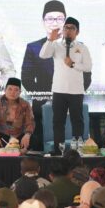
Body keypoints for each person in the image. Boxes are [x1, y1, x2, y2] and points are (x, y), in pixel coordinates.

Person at [39, 16, 92, 153]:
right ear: (63, 30)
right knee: (58, 121)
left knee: (77, 120)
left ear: (77, 32)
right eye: (66, 28)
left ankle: (77, 150)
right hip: (59, 90)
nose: (68, 31)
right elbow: (43, 55)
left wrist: (73, 64)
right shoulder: (55, 45)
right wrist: (50, 39)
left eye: (72, 28)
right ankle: (58, 150)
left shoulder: (82, 47)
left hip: (76, 91)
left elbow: (88, 67)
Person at [21, 0, 67, 151]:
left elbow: (86, 76)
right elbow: (26, 77)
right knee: (40, 142)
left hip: (68, 99)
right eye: (50, 18)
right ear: (43, 22)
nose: (54, 22)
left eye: (59, 18)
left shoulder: (75, 46)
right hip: (41, 103)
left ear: (65, 21)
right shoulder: (33, 47)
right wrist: (42, 94)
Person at [0, 77, 34, 151]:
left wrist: (27, 135)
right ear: (5, 90)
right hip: (2, 135)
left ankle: (11, 148)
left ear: (20, 92)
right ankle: (15, 148)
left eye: (16, 90)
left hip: (18, 136)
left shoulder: (25, 104)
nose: (12, 92)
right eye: (10, 89)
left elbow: (30, 121)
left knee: (34, 139)